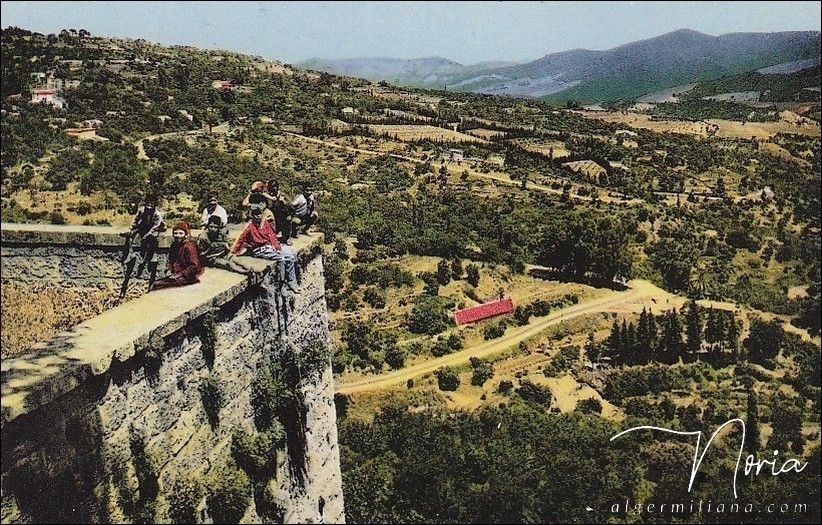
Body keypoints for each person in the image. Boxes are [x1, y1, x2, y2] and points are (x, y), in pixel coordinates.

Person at [231, 207, 299, 292]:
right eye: (255, 215)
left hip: (269, 247)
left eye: (259, 214)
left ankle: (292, 282)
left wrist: (277, 246)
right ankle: (282, 283)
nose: (258, 217)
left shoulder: (265, 223)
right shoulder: (250, 226)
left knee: (290, 257)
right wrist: (234, 251)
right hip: (259, 250)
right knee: (281, 258)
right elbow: (241, 239)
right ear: (252, 216)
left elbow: (272, 236)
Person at [152, 221, 204, 290]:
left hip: (187, 276)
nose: (178, 236)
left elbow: (193, 266)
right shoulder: (174, 245)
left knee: (158, 285)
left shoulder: (189, 246)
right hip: (177, 274)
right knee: (156, 282)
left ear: (186, 234)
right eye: (175, 233)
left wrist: (180, 274)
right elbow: (171, 260)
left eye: (180, 233)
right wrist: (169, 270)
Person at [130, 194, 164, 278]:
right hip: (144, 226)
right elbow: (136, 219)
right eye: (147, 204)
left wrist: (147, 234)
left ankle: (151, 258)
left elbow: (156, 226)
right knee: (134, 234)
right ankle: (133, 254)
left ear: (155, 205)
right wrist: (132, 227)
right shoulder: (141, 210)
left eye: (151, 205)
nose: (149, 207)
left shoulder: (157, 214)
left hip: (155, 228)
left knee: (153, 239)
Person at [265, 179, 292, 243]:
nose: (272, 191)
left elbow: (291, 205)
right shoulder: (268, 196)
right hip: (273, 217)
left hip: (283, 216)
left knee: (287, 221)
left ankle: (285, 238)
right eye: (271, 189)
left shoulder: (282, 195)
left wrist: (284, 202)